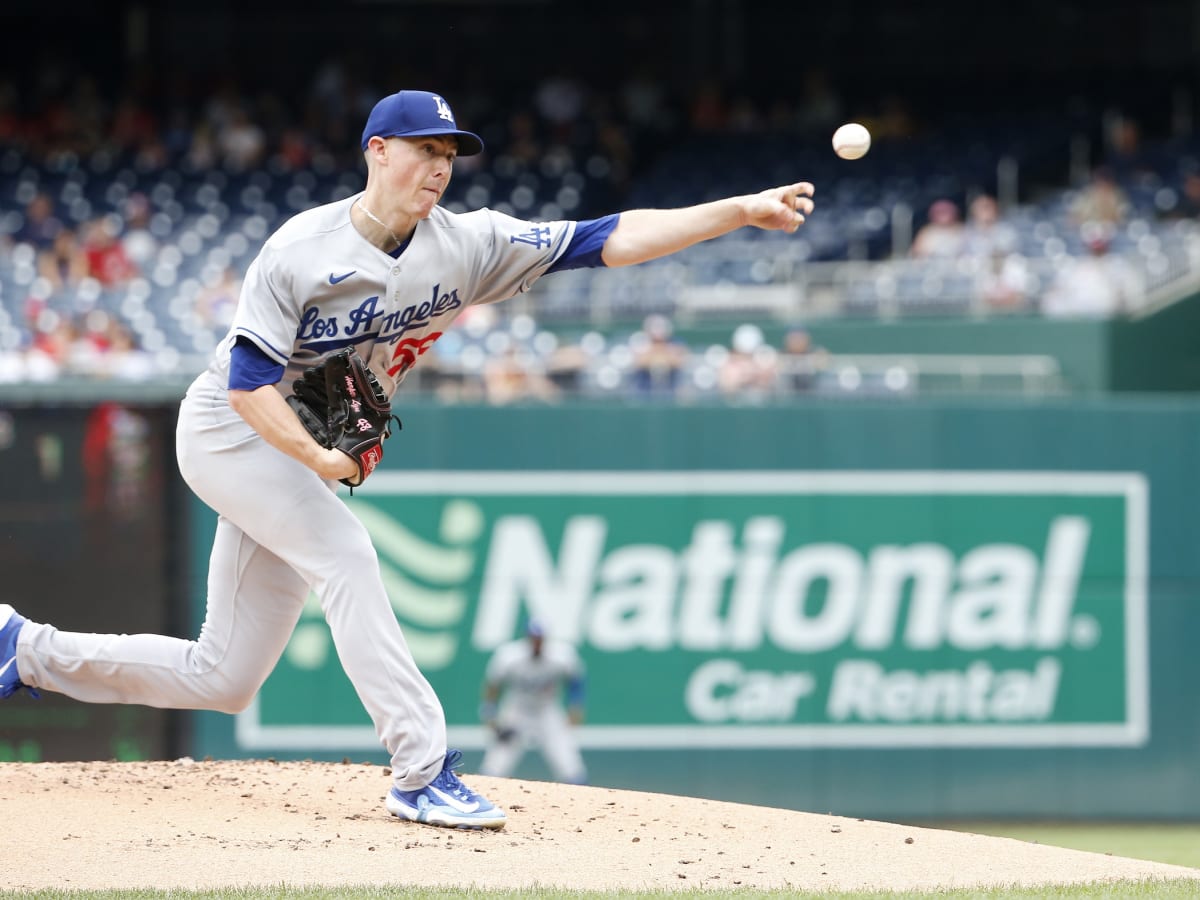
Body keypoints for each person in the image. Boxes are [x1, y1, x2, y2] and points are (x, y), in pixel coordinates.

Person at [0, 89, 814, 829]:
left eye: (449, 154)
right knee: (346, 555)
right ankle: (421, 767)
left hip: (292, 449)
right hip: (228, 430)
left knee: (226, 677)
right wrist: (318, 458)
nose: (439, 167)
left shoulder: (467, 246)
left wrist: (736, 211)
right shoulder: (300, 250)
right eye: (423, 148)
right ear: (377, 152)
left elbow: (608, 238)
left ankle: (25, 649)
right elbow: (250, 386)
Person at [478, 620, 587, 785]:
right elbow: (493, 684)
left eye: (540, 638)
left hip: (547, 711)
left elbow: (575, 680)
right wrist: (489, 713)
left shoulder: (561, 654)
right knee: (495, 765)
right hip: (516, 712)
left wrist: (575, 707)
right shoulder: (509, 655)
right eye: (533, 638)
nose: (537, 642)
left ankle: (583, 803)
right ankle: (483, 797)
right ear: (527, 638)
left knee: (569, 762)